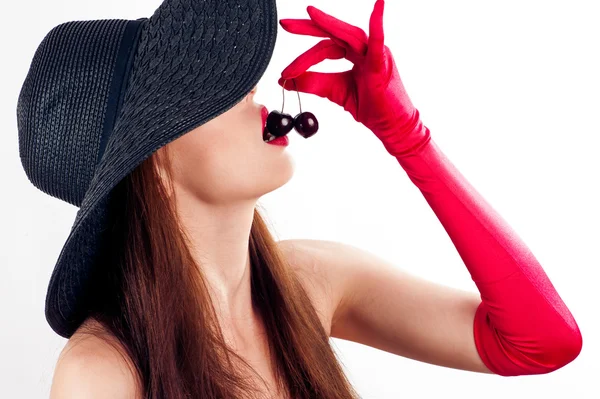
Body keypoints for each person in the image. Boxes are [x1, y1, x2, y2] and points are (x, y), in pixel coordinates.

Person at [16, 0, 581, 398]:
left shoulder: (310, 283)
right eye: (209, 90)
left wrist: (409, 137)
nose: (253, 90)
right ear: (154, 162)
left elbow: (542, 342)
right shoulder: (103, 373)